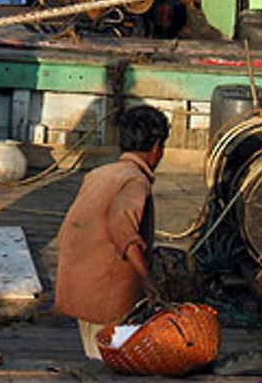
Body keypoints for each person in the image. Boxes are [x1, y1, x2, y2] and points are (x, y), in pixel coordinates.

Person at [54, 105, 169, 359]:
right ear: (156, 147)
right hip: (105, 294)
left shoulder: (98, 174)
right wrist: (148, 280)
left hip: (77, 284)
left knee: (94, 355)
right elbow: (123, 231)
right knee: (108, 362)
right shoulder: (136, 181)